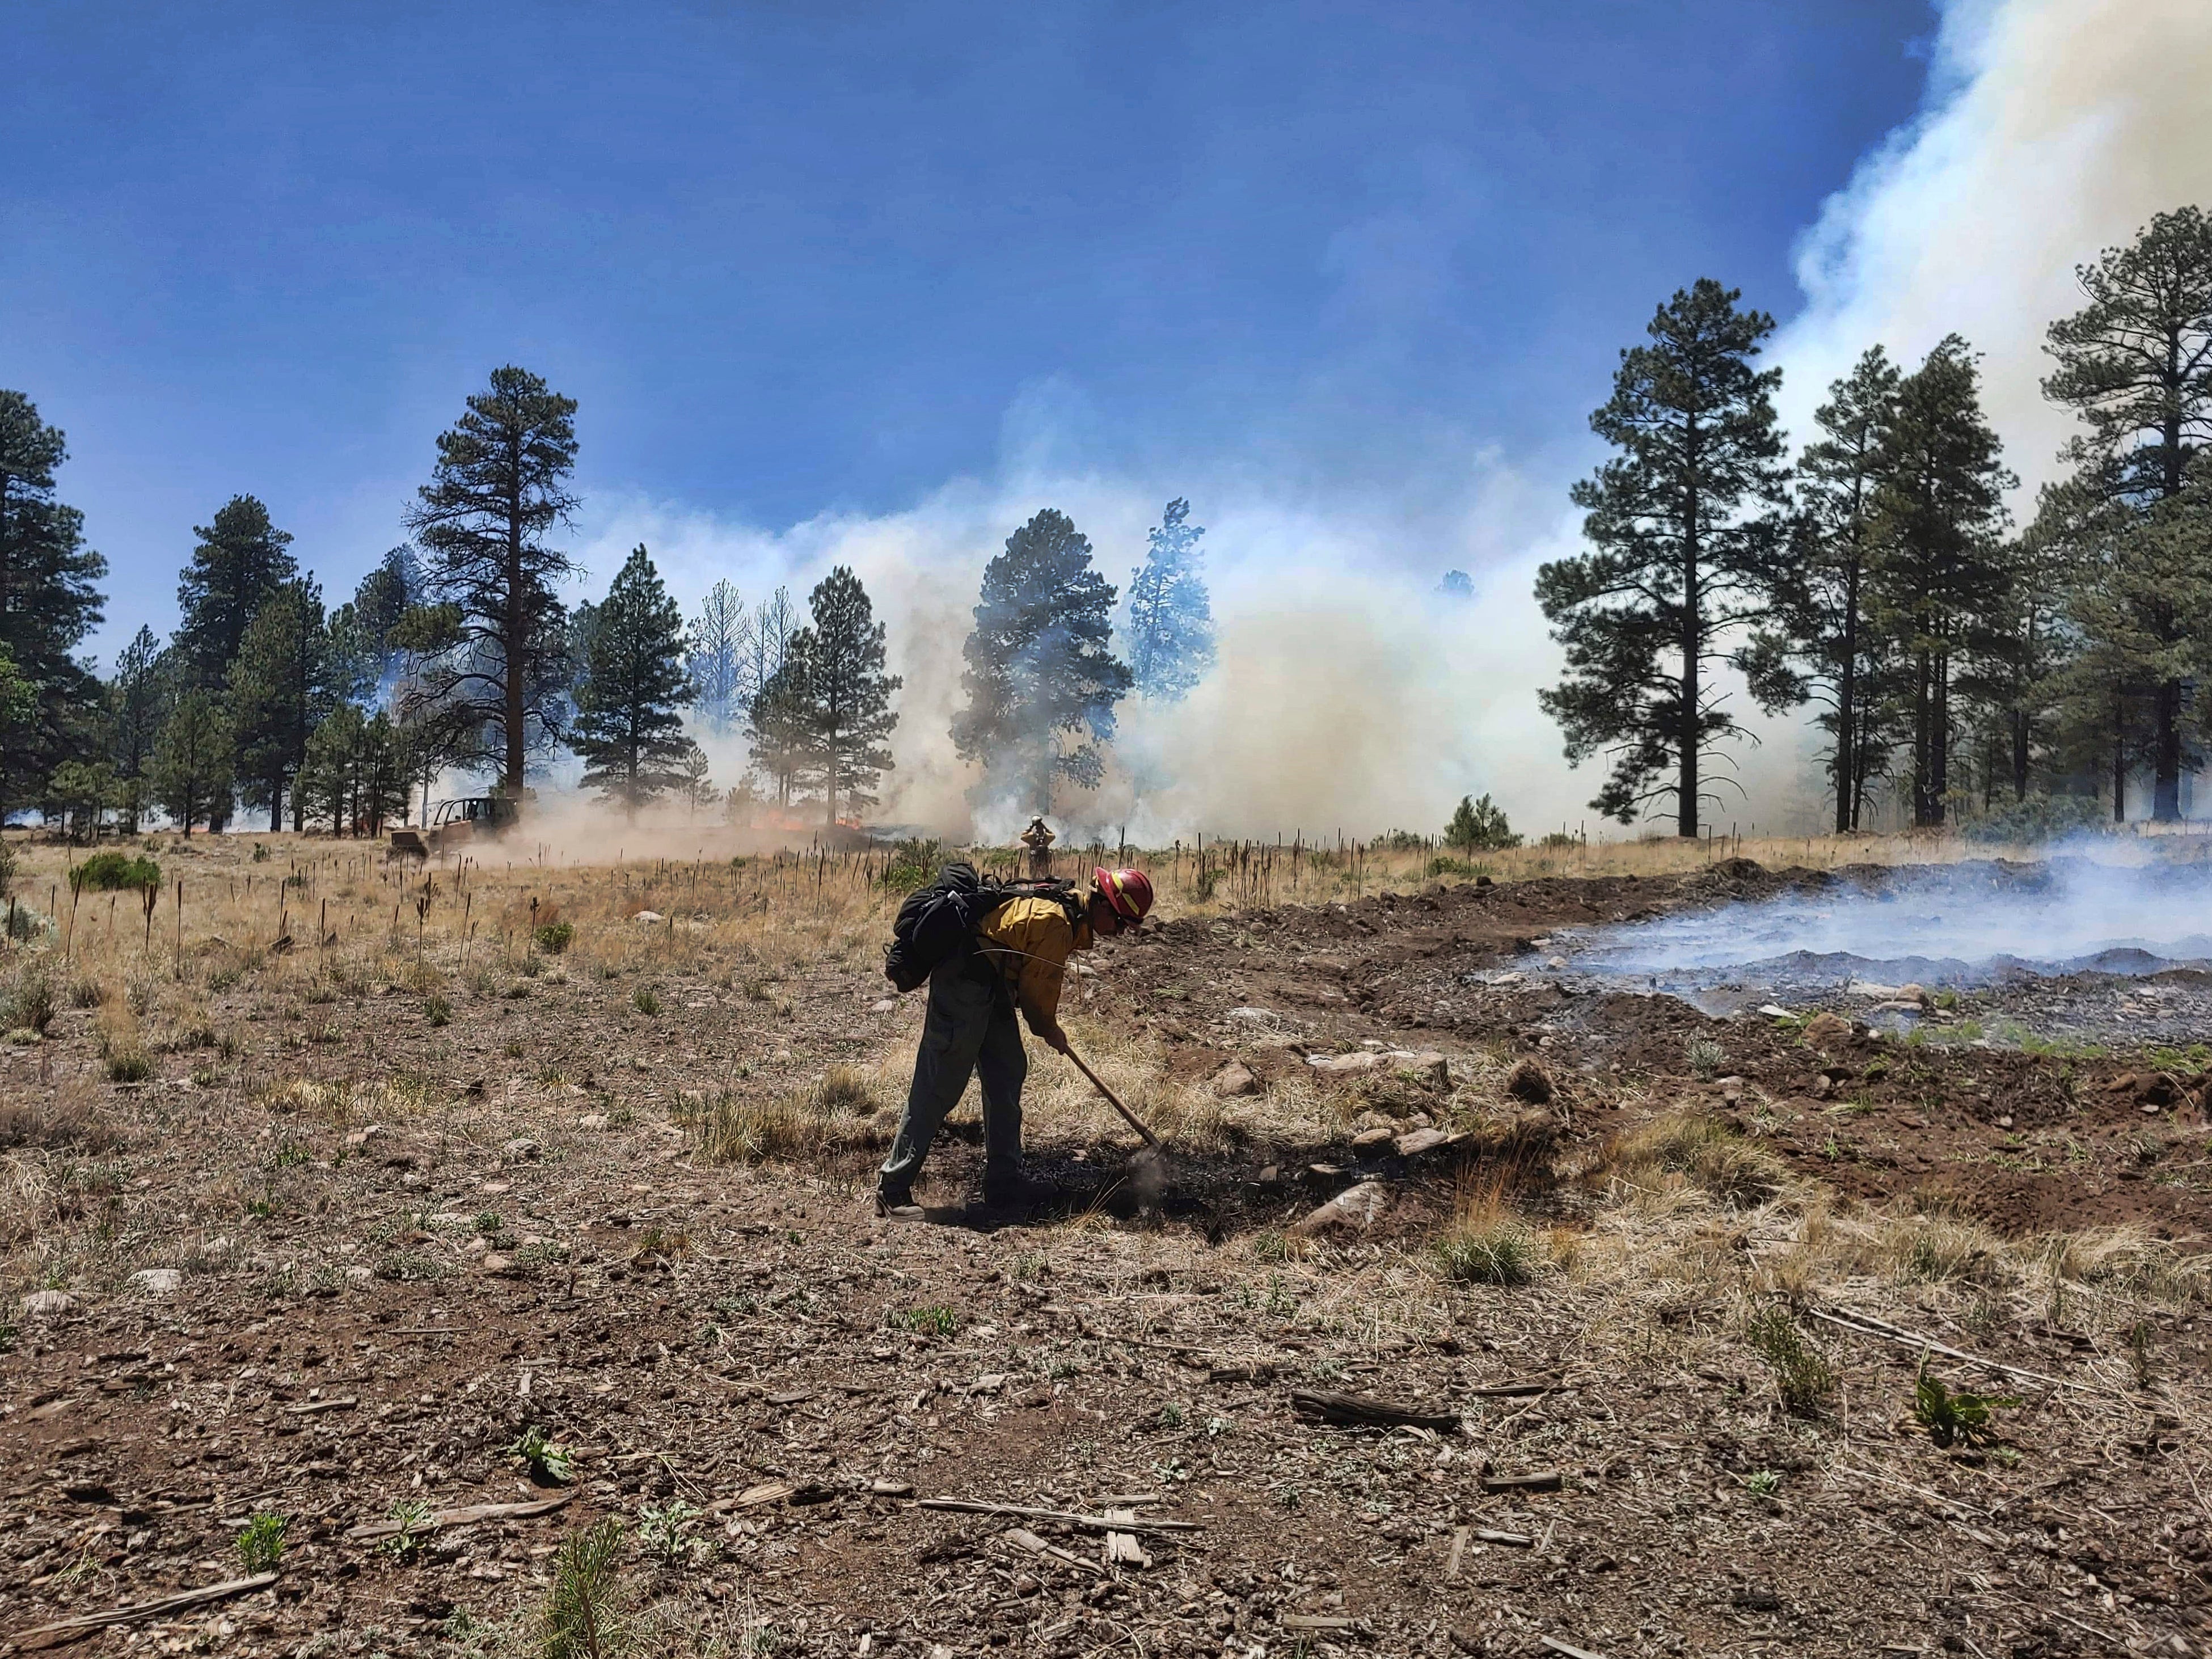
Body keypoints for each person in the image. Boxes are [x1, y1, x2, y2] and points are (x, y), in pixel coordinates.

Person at [876, 865, 1154, 1219]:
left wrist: (1043, 1021)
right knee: (940, 1083)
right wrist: (1050, 1029)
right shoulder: (1057, 922)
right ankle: (893, 1188)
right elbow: (1038, 999)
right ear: (1102, 906)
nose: (1118, 933)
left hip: (991, 980)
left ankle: (1003, 1183)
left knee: (1007, 1072)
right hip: (966, 976)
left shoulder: (1067, 910)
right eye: (1119, 923)